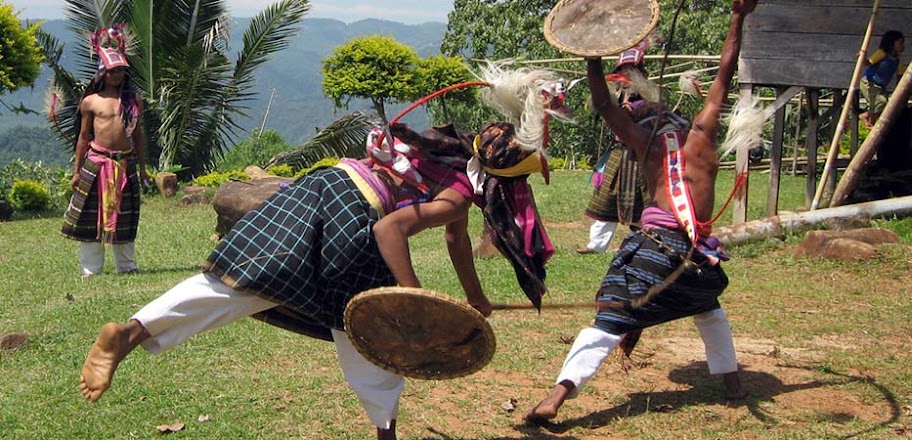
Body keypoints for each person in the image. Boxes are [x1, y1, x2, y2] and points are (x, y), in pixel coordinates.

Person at [79, 65, 566, 439]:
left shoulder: (457, 156)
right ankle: (385, 432)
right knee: (368, 328)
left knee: (243, 280)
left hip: (326, 184)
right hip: (358, 217)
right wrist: (412, 296)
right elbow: (392, 230)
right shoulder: (461, 193)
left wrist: (474, 298)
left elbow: (456, 239)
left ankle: (129, 333)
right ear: (509, 181)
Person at [526, 0, 755, 424]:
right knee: (709, 312)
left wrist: (592, 55)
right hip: (694, 260)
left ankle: (556, 398)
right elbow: (725, 71)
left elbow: (604, 107)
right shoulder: (701, 135)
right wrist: (738, 17)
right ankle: (733, 384)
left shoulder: (645, 145)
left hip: (651, 251)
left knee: (607, 321)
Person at [61, 25, 149, 277]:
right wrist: (77, 171)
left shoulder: (134, 101)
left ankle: (127, 266)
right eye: (113, 71)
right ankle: (90, 269)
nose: (117, 74)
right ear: (103, 72)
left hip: (125, 163)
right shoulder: (91, 101)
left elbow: (138, 135)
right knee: (90, 219)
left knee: (125, 217)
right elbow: (83, 136)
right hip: (96, 164)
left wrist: (143, 168)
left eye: (121, 70)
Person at [578, 41, 653, 255]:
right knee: (605, 199)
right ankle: (596, 245)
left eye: (630, 70)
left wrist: (632, 110)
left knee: (644, 201)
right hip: (619, 153)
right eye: (622, 70)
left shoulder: (648, 95)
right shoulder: (615, 93)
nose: (626, 74)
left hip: (641, 156)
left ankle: (642, 242)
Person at [860, 30, 905, 127]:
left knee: (885, 106)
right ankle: (867, 118)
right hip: (869, 82)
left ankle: (868, 119)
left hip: (880, 86)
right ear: (891, 43)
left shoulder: (898, 59)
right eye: (900, 42)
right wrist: (862, 56)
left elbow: (900, 75)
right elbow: (868, 63)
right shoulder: (881, 53)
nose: (902, 45)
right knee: (879, 102)